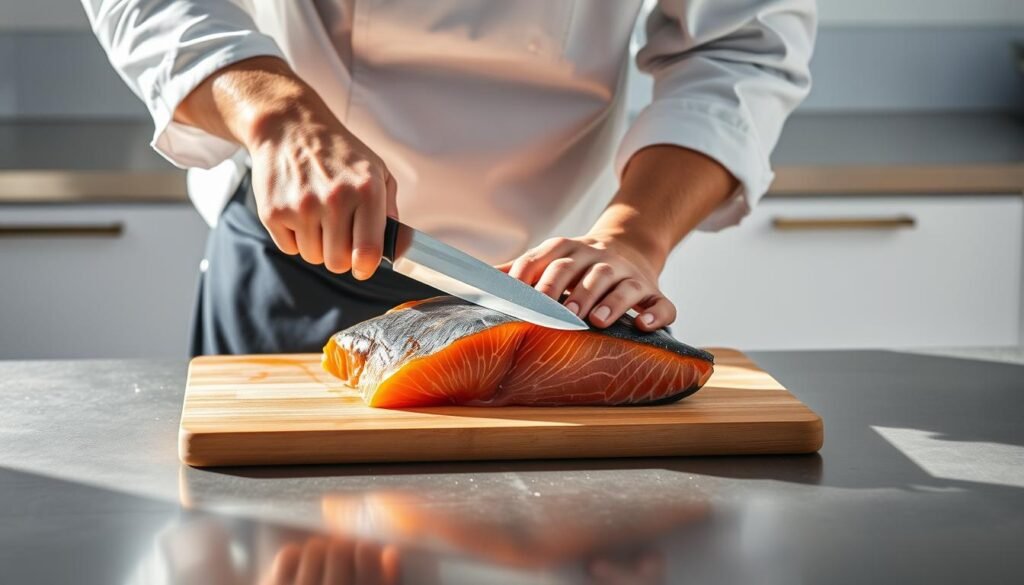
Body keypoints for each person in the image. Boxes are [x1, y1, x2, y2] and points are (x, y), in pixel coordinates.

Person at [83, 1, 814, 355]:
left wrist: (633, 237)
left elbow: (740, 50)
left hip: (554, 287)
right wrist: (277, 114)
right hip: (300, 262)